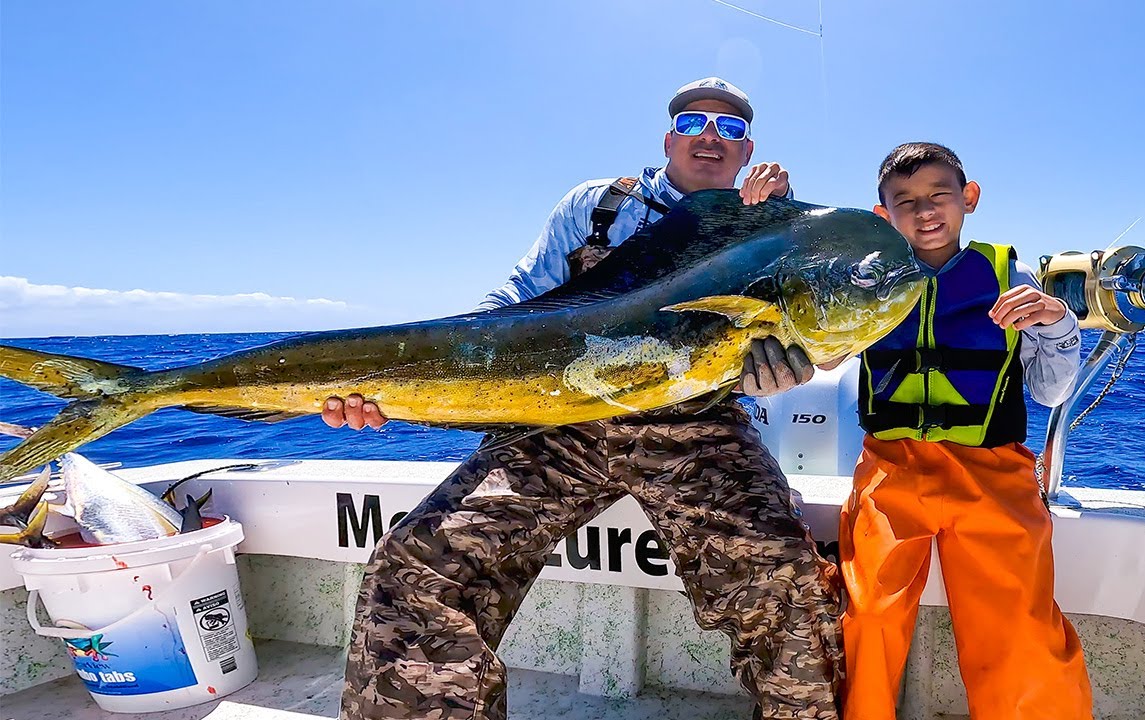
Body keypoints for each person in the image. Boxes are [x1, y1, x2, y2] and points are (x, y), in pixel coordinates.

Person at [331, 77, 845, 720]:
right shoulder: (597, 208)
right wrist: (393, 386)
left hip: (696, 425)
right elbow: (507, 312)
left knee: (785, 574)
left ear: (748, 151)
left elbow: (822, 341)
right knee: (414, 566)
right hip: (563, 424)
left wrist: (784, 365)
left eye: (731, 128)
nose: (710, 136)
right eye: (692, 122)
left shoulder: (774, 226)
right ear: (667, 139)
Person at [839, 142, 1093, 719]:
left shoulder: (1013, 280)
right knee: (869, 617)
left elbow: (1051, 392)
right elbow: (821, 357)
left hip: (994, 474)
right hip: (890, 468)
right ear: (883, 216)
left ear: (968, 198)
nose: (925, 211)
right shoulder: (859, 284)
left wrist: (1057, 322)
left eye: (939, 195)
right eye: (904, 201)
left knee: (1018, 631)